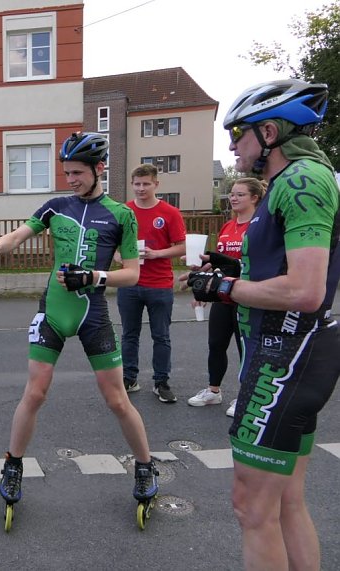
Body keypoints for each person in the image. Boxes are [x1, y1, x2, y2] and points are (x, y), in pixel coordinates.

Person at [186, 79, 339, 571]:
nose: (232, 146)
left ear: (270, 132)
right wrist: (226, 276)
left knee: (251, 507)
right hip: (292, 350)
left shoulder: (301, 181)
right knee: (285, 502)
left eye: (239, 134)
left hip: (285, 353)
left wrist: (223, 290)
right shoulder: (298, 180)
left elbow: (304, 290)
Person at [0, 132, 159, 516]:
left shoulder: (121, 215)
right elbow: (20, 234)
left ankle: (145, 465)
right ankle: (13, 464)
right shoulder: (56, 206)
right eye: (66, 172)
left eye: (77, 172)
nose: (71, 179)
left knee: (116, 399)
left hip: (92, 313)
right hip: (53, 311)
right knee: (36, 392)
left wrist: (93, 277)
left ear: (99, 169)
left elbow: (132, 274)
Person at [187, 178, 266, 416]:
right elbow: (218, 264)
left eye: (240, 195)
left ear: (254, 198)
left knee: (246, 348)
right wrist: (202, 289)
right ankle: (213, 391)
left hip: (247, 295)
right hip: (223, 296)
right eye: (232, 194)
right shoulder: (227, 226)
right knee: (216, 344)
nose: (233, 198)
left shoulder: (259, 226)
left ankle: (246, 395)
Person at [116, 164, 186, 403]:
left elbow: (182, 246)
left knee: (161, 336)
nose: (141, 188)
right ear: (132, 184)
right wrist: (122, 258)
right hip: (129, 284)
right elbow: (113, 247)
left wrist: (157, 254)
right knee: (129, 334)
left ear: (156, 184)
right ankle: (129, 378)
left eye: (146, 184)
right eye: (137, 184)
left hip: (159, 284)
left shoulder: (170, 213)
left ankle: (161, 382)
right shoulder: (124, 211)